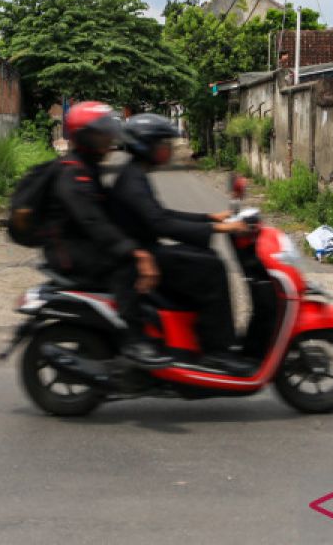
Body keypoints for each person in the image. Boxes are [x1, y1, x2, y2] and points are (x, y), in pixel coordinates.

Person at [109, 113, 254, 375]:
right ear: (146, 145)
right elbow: (160, 223)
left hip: (145, 251)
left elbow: (160, 214)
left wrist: (210, 217)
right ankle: (216, 352)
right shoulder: (132, 179)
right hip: (140, 257)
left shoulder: (135, 174)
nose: (168, 149)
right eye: (162, 143)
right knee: (212, 269)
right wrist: (219, 227)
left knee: (204, 255)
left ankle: (199, 339)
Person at [42, 101, 172, 367]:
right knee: (127, 266)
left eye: (107, 133)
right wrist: (133, 251)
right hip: (69, 252)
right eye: (101, 134)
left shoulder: (88, 167)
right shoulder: (73, 173)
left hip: (78, 244)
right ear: (85, 136)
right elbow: (94, 223)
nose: (108, 141)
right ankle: (135, 341)